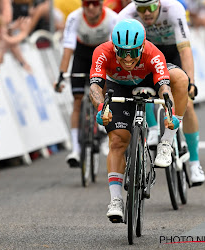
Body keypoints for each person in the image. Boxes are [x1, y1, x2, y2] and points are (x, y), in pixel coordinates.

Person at [89, 19, 188, 222]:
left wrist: (168, 109)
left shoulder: (153, 53)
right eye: (121, 52)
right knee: (117, 141)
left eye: (133, 52)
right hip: (118, 85)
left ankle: (166, 143)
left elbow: (164, 87)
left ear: (142, 47)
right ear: (114, 47)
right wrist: (101, 108)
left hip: (147, 79)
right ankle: (116, 201)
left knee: (181, 79)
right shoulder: (102, 51)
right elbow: (95, 87)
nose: (127, 58)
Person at [117, 0, 205, 186]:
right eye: (141, 9)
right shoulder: (126, 16)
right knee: (144, 93)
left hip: (174, 51)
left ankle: (195, 164)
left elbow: (185, 49)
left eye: (150, 8)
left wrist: (191, 82)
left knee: (187, 103)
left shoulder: (174, 9)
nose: (146, 13)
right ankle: (154, 128)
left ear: (158, 3)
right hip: (147, 54)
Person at [54, 0, 117, 168]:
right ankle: (75, 148)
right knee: (77, 101)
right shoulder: (74, 18)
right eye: (86, 3)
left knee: (103, 94)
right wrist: (61, 76)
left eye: (94, 3)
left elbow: (115, 50)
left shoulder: (112, 18)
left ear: (101, 5)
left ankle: (103, 129)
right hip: (82, 55)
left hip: (103, 54)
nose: (90, 7)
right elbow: (68, 48)